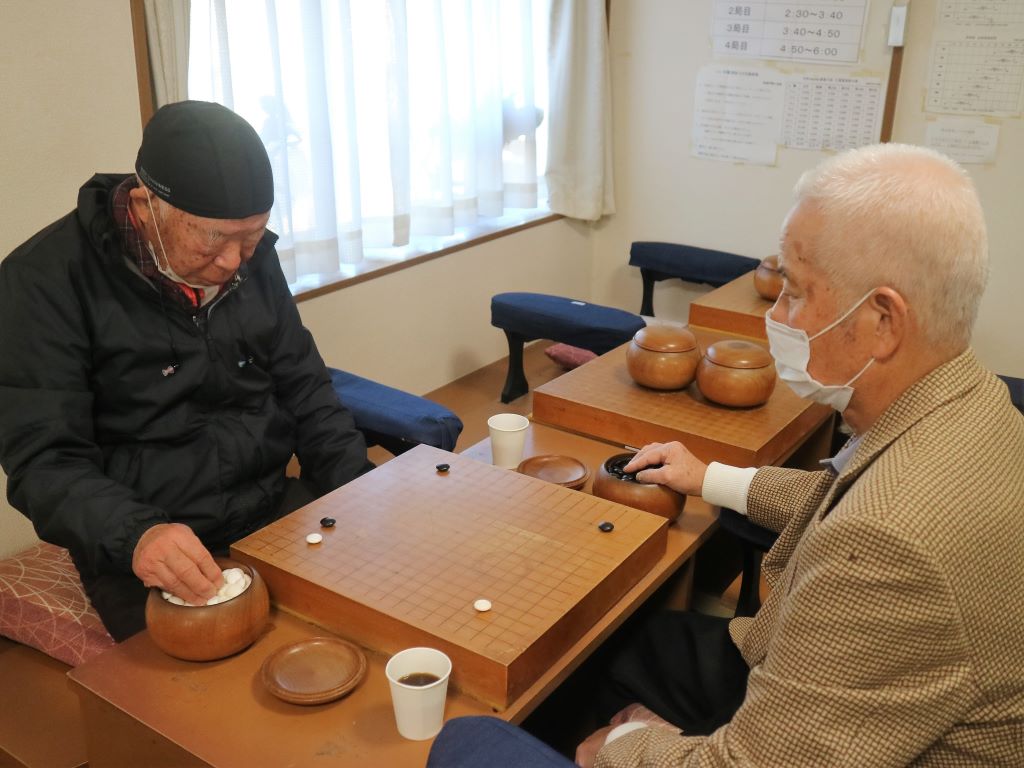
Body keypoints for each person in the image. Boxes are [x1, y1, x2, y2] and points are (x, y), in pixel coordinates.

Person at [431, 143, 1024, 766]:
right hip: (834, 683)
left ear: (883, 322)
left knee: (471, 740)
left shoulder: (888, 543)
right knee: (626, 647)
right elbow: (841, 494)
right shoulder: (978, 404)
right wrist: (708, 477)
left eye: (795, 292)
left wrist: (630, 742)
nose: (777, 314)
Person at [0, 101, 372, 641]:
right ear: (145, 206)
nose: (234, 262)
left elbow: (305, 386)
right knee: (214, 678)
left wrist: (356, 488)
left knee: (383, 612)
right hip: (149, 543)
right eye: (214, 240)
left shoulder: (249, 260)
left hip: (272, 507)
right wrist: (138, 536)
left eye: (252, 237)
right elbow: (44, 461)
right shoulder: (42, 283)